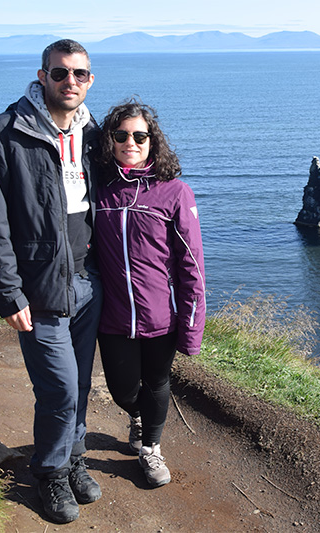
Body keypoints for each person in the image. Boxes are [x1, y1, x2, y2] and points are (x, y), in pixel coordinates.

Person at [0, 39, 102, 524]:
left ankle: (72, 457)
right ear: (42, 76)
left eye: (79, 74)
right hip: (38, 288)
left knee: (80, 384)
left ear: (90, 80)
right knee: (59, 389)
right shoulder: (3, 134)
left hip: (88, 281)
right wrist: (7, 293)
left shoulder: (94, 132)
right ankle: (49, 472)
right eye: (60, 73)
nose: (70, 82)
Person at [95, 100, 206, 487]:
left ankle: (150, 449)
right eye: (121, 135)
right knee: (122, 390)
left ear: (152, 141)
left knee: (157, 383)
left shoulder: (174, 192)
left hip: (161, 317)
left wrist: (191, 328)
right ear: (110, 141)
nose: (131, 142)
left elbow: (192, 265)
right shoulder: (100, 192)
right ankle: (138, 416)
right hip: (112, 317)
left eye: (140, 136)